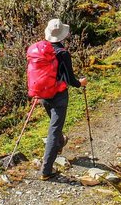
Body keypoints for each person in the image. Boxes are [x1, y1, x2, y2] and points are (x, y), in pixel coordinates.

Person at [38, 18, 86, 181]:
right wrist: (81, 83)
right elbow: (71, 80)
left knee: (54, 125)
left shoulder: (40, 50)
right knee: (54, 129)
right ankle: (46, 170)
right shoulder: (63, 53)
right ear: (62, 36)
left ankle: (59, 143)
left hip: (42, 94)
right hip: (58, 95)